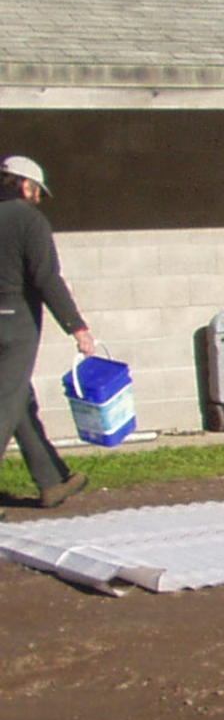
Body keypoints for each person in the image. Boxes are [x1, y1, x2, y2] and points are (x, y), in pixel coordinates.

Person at [1, 155, 96, 517]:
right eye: (38, 191)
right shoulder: (29, 220)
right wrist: (77, 326)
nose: (38, 198)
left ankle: (52, 480)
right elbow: (46, 278)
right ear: (26, 185)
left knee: (17, 401)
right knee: (5, 405)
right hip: (14, 323)